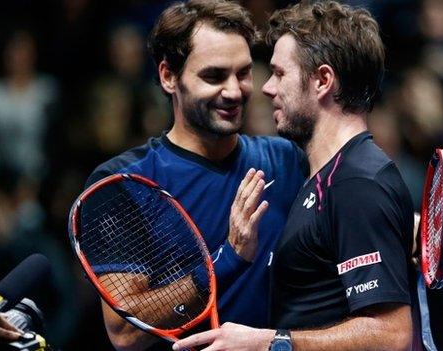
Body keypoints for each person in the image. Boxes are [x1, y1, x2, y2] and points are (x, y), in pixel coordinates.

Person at [174, 2, 418, 350]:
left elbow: (390, 336)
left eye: (279, 73)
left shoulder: (355, 184)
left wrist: (269, 343)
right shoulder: (330, 176)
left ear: (322, 80)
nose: (267, 88)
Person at [84, 1, 306, 350]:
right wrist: (227, 261)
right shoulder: (124, 183)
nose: (234, 91)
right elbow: (125, 332)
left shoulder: (289, 158)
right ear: (168, 77)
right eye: (214, 76)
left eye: (243, 73)